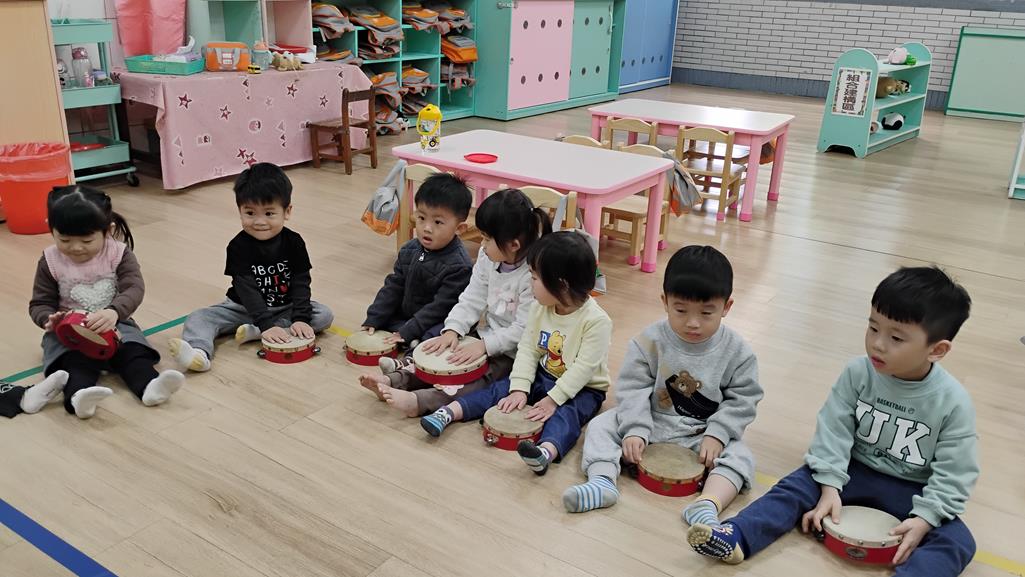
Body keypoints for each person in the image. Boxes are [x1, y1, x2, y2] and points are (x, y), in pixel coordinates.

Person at [689, 267, 977, 577]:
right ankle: (737, 536)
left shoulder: (953, 402)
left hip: (912, 488)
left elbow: (955, 472)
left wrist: (926, 518)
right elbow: (833, 431)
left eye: (896, 337)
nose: (878, 344)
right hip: (852, 470)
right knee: (794, 488)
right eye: (873, 327)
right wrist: (829, 486)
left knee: (958, 541)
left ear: (937, 350)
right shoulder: (857, 373)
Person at [563, 246, 762, 523]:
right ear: (665, 301)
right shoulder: (648, 341)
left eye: (707, 313)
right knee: (600, 426)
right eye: (680, 310)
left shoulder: (738, 352)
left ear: (726, 307)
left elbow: (744, 399)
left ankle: (708, 504)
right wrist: (634, 429)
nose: (693, 323)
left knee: (741, 456)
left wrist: (718, 434)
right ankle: (602, 483)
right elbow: (632, 390)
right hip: (651, 421)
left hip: (700, 432)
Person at [419, 231, 611, 476]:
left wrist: (553, 400)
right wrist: (519, 387)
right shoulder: (541, 308)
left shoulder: (596, 321)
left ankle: (546, 452)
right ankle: (449, 412)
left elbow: (583, 369)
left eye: (535, 278)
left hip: (584, 388)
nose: (530, 284)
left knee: (567, 415)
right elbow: (528, 349)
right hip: (545, 373)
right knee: (500, 389)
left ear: (561, 285)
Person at [362, 188, 552, 417]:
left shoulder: (533, 275)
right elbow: (472, 297)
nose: (482, 245)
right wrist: (453, 329)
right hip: (485, 336)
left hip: (514, 354)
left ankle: (419, 402)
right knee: (442, 352)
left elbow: (525, 329)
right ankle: (395, 380)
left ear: (513, 245)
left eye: (487, 239)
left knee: (473, 382)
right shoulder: (488, 257)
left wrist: (484, 346)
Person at [29, 186, 184, 419]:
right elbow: (39, 303)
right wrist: (48, 319)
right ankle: (78, 398)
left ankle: (149, 387)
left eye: (87, 240)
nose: (76, 247)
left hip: (115, 323)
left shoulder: (118, 253)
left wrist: (114, 312)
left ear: (107, 230)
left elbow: (134, 288)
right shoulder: (50, 261)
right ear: (50, 228)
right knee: (74, 362)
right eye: (65, 239)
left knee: (133, 352)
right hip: (69, 332)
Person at [169, 163, 334, 371]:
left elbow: (301, 281)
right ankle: (199, 353)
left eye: (269, 213)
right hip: (242, 308)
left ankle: (260, 331)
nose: (259, 222)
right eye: (250, 213)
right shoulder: (238, 246)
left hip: (286, 307)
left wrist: (300, 318)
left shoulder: (294, 242)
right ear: (239, 210)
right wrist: (265, 322)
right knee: (198, 318)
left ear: (287, 211)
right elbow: (246, 289)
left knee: (324, 315)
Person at [360, 173, 473, 349]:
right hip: (408, 315)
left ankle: (412, 347)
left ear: (459, 228)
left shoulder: (459, 265)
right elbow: (393, 286)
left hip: (438, 318)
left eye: (438, 222)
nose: (427, 228)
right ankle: (410, 339)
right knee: (384, 318)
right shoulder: (409, 249)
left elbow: (440, 307)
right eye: (421, 218)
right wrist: (374, 318)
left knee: (440, 332)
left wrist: (409, 330)